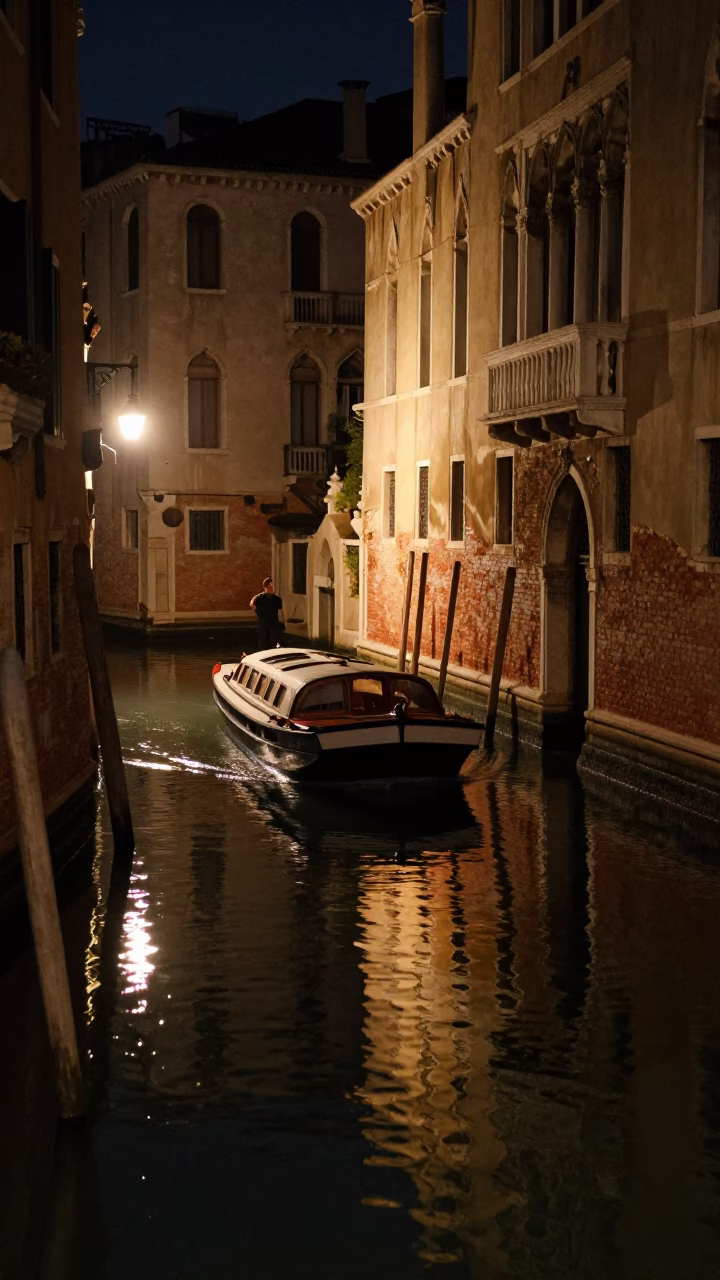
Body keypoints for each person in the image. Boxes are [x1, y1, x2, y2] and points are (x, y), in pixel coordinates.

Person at [250, 577, 284, 651]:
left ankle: (276, 651)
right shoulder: (260, 597)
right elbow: (252, 603)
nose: (272, 589)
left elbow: (280, 607)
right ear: (265, 587)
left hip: (273, 621)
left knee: (274, 639)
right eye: (270, 587)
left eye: (272, 587)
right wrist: (255, 609)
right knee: (263, 640)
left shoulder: (276, 598)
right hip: (263, 622)